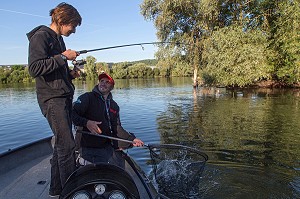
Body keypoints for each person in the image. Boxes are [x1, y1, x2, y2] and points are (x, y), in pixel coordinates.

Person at [26, 2, 82, 197]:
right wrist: (63, 57)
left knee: (61, 146)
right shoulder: (40, 37)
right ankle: (71, 193)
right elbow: (35, 69)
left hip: (63, 97)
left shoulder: (59, 40)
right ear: (61, 20)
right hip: (52, 99)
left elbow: (55, 70)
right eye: (72, 26)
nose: (73, 30)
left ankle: (56, 190)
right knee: (67, 145)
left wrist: (70, 74)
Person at [72, 72, 144, 168]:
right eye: (101, 81)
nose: (103, 83)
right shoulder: (87, 97)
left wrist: (132, 139)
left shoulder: (114, 106)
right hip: (87, 146)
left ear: (112, 87)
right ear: (98, 83)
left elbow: (116, 127)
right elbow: (71, 113)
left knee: (119, 167)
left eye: (107, 82)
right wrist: (87, 123)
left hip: (105, 146)